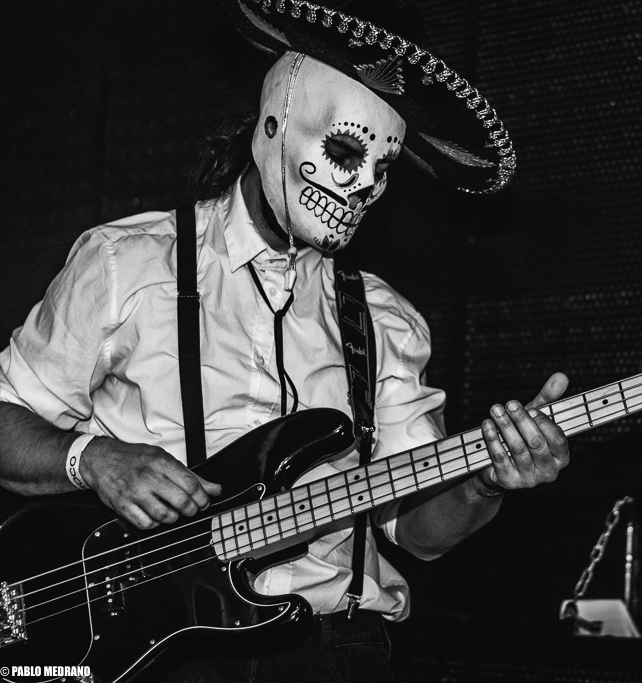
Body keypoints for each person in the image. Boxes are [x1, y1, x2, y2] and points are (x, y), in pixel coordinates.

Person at [0, 1, 569, 680]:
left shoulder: (382, 318)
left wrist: (485, 481)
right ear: (272, 128)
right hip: (167, 651)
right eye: (346, 153)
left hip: (337, 651)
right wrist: (94, 459)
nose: (364, 185)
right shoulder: (128, 263)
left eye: (383, 168)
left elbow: (418, 532)